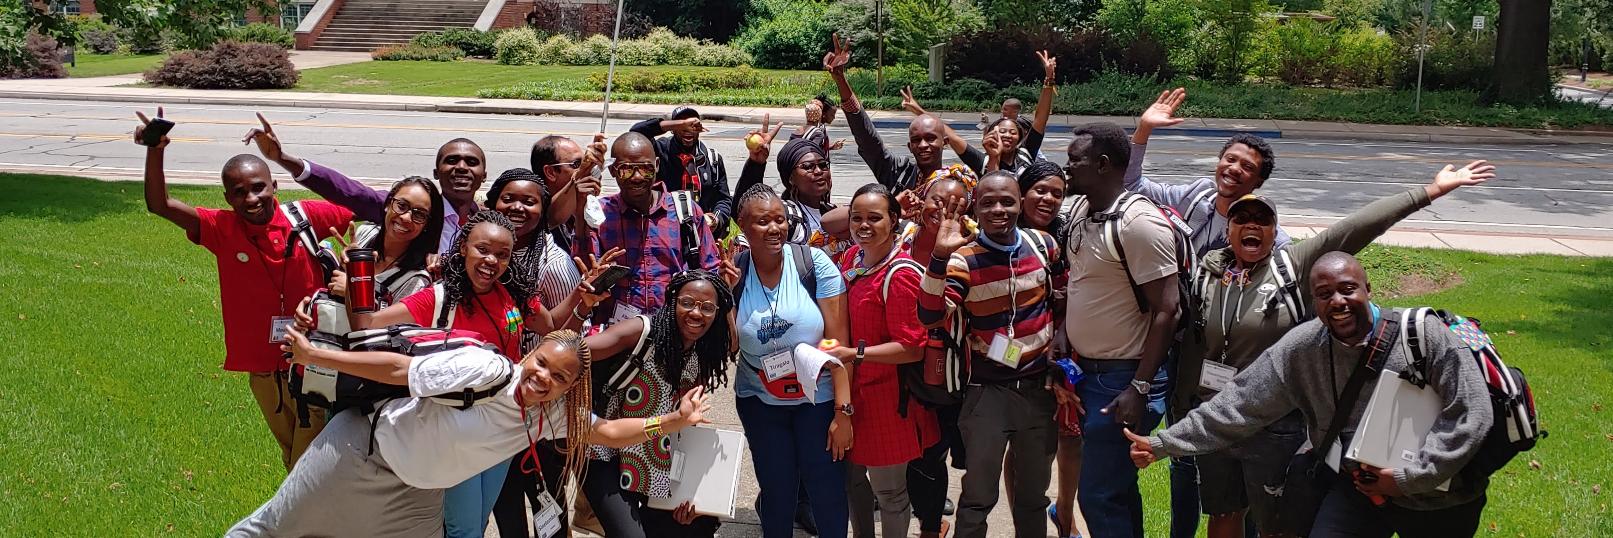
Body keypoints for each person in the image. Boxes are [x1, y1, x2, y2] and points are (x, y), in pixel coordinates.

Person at [1176, 162, 1495, 538]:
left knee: (1276, 524)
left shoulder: (1292, 266)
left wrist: (1430, 192)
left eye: (1261, 220)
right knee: (1224, 512)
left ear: (1274, 231)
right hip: (1221, 411)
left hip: (1278, 424)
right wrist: (1183, 403)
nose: (1251, 225)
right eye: (1240, 217)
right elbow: (1191, 343)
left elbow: (1358, 225)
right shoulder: (1208, 273)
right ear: (1227, 229)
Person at [1126, 251, 1497, 538]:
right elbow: (1237, 404)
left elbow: (1472, 413)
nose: (1337, 301)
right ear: (1313, 301)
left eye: (1347, 289)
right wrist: (1162, 444)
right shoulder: (1303, 349)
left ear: (1368, 289)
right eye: (1323, 294)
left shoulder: (1423, 336)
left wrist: (1407, 477)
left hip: (1442, 498)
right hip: (1361, 491)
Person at [226, 329, 716, 538]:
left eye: (560, 378)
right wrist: (318, 357)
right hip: (363, 453)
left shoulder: (551, 415)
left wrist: (670, 422)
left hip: (416, 495)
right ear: (530, 353)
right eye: (541, 363)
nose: (543, 377)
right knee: (276, 529)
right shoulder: (485, 369)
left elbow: (607, 431)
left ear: (569, 388)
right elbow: (401, 369)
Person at [355, 210, 616, 538]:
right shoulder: (440, 297)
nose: (491, 260)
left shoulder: (511, 293)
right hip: (459, 428)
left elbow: (552, 327)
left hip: (504, 425)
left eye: (502, 254)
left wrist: (583, 297)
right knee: (463, 527)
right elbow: (367, 327)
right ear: (463, 246)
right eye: (482, 249)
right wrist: (352, 278)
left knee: (475, 522)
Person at [135, 108, 353, 471]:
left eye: (258, 187)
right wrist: (154, 149)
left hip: (315, 357)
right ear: (227, 198)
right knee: (293, 456)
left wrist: (359, 267)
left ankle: (298, 522)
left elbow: (367, 208)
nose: (251, 198)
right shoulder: (222, 228)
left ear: (274, 187)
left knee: (309, 461)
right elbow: (159, 205)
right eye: (239, 192)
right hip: (264, 369)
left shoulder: (307, 216)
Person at [917, 171, 1068, 538]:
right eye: (988, 203)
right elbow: (929, 314)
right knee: (978, 497)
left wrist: (1059, 353)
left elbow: (1064, 299)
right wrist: (939, 255)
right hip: (987, 396)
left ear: (1020, 203)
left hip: (1038, 392)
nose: (999, 210)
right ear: (975, 208)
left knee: (1033, 496)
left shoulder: (1043, 245)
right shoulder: (962, 261)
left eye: (1007, 201)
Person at [1061, 122, 1180, 538]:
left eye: (1075, 161)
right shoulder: (1081, 209)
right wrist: (1064, 329)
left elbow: (1168, 310)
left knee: (1096, 495)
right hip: (1089, 373)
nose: (1067, 168)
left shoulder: (1139, 224)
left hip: (1123, 380)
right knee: (1117, 489)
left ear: (1104, 164)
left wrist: (1140, 387)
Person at [728, 184, 854, 538]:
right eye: (763, 221)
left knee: (826, 488)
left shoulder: (814, 264)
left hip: (818, 399)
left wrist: (843, 414)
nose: (774, 229)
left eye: (780, 220)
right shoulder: (734, 271)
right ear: (742, 225)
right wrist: (726, 298)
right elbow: (730, 347)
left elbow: (839, 345)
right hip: (759, 399)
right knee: (777, 490)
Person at [578, 270, 738, 538]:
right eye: (687, 303)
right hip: (605, 452)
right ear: (672, 300)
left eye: (708, 308)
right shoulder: (643, 332)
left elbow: (732, 344)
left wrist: (692, 494)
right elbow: (575, 352)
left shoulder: (701, 353)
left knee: (696, 524)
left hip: (654, 460)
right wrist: (581, 308)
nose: (696, 314)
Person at [825, 184, 941, 538]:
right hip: (850, 396)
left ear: (894, 221)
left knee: (890, 494)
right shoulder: (851, 260)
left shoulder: (901, 273)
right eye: (857, 217)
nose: (863, 225)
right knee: (853, 483)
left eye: (874, 218)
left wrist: (854, 354)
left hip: (888, 403)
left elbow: (912, 347)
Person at [245, 114, 487, 253]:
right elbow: (347, 191)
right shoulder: (409, 208)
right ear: (437, 172)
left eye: (471, 162)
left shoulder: (486, 219)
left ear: (483, 175)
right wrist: (283, 159)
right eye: (452, 161)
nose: (461, 167)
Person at [1000, 160, 1087, 538]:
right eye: (1040, 190)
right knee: (1018, 442)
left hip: (1064, 349)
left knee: (1069, 435)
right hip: (1008, 355)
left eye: (1057, 192)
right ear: (1021, 193)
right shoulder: (1001, 233)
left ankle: (1064, 515)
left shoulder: (1070, 238)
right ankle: (1024, 521)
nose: (1049, 198)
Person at [585, 132, 721, 325]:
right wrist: (581, 202)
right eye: (626, 170)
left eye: (646, 169)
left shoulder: (685, 210)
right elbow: (584, 271)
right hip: (616, 337)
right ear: (613, 170)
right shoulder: (601, 214)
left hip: (675, 331)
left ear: (657, 165)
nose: (637, 177)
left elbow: (710, 269)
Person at [824, 33, 946, 194]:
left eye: (930, 138)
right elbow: (868, 139)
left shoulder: (960, 180)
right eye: (916, 140)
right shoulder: (900, 174)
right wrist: (840, 80)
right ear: (909, 147)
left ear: (945, 142)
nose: (923, 145)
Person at [905, 51, 1057, 176]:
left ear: (1019, 138)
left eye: (1012, 132)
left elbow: (1040, 120)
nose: (1007, 135)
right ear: (991, 135)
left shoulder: (1026, 154)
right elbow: (951, 136)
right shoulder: (981, 161)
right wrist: (919, 111)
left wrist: (1049, 80)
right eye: (1002, 131)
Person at [732, 118, 853, 260]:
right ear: (791, 178)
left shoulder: (833, 213)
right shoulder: (787, 214)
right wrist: (755, 164)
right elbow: (746, 212)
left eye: (823, 165)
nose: (819, 171)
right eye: (808, 167)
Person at [323, 176, 442, 312]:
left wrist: (354, 292)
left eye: (419, 214)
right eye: (401, 206)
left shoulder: (416, 279)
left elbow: (395, 326)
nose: (406, 217)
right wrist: (347, 265)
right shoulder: (365, 234)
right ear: (388, 204)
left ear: (427, 224)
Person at [630, 106, 735, 231]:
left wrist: (715, 220)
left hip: (702, 231)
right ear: (673, 129)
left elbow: (723, 199)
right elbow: (636, 132)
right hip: (666, 229)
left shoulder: (712, 158)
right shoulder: (660, 150)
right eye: (683, 125)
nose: (688, 129)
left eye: (693, 124)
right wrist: (679, 124)